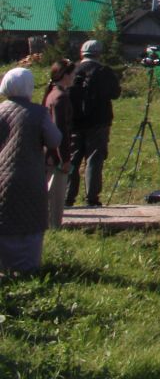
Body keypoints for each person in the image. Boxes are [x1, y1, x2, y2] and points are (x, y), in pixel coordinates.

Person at [0, 66, 62, 275]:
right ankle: (27, 266)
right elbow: (54, 139)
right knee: (30, 220)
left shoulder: (0, 111)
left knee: (4, 219)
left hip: (2, 177)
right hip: (30, 176)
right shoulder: (38, 113)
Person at [65, 38, 121, 210]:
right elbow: (115, 93)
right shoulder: (104, 71)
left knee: (73, 159)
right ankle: (92, 198)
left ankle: (67, 198)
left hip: (74, 123)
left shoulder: (72, 70)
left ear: (82, 53)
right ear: (98, 54)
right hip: (99, 122)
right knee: (94, 159)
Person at [41, 60, 74, 231]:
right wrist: (65, 158)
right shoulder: (60, 97)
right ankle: (54, 228)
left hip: (48, 153)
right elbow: (61, 130)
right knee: (56, 197)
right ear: (65, 75)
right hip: (56, 156)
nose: (74, 77)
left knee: (46, 194)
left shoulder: (51, 93)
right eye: (72, 74)